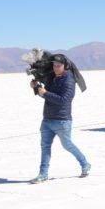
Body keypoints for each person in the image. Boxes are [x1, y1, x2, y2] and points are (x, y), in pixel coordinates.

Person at [30, 54, 90, 183]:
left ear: (65, 66)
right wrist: (36, 88)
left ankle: (85, 164)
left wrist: (45, 93)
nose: (56, 68)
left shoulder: (69, 80)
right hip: (47, 119)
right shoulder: (53, 77)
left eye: (58, 65)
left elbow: (63, 100)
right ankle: (43, 174)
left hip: (62, 120)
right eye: (54, 65)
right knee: (45, 147)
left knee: (67, 145)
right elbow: (48, 96)